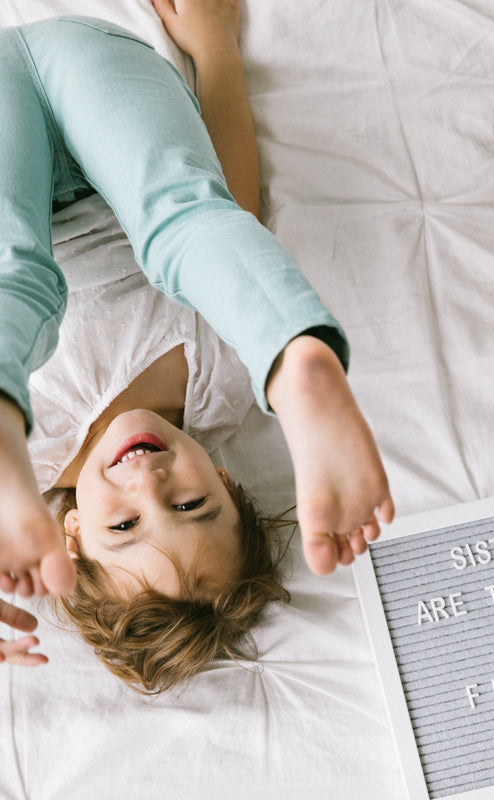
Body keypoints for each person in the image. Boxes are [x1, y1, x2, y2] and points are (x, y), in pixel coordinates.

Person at [0, 0, 394, 688]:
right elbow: (228, 211)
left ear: (71, 537)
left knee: (13, 278)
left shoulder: (29, 469)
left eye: (122, 526)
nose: (149, 484)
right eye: (190, 506)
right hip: (99, 74)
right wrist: (217, 53)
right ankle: (295, 357)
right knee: (186, 222)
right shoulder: (223, 383)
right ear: (227, 481)